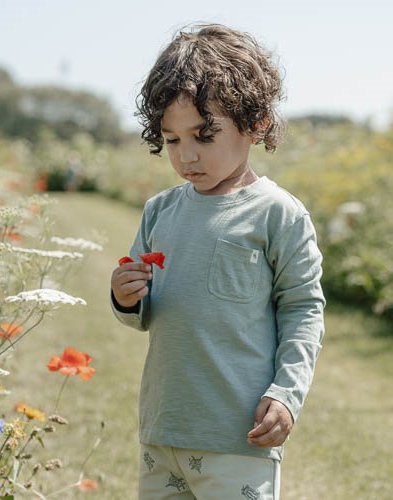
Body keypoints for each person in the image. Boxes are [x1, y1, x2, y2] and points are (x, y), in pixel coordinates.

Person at [110, 23, 325, 500]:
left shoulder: (277, 214)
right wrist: (124, 297)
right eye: (172, 140)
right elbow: (144, 314)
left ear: (256, 123)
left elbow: (303, 310)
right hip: (163, 431)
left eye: (204, 136)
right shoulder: (159, 211)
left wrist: (286, 394)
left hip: (237, 438)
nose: (187, 155)